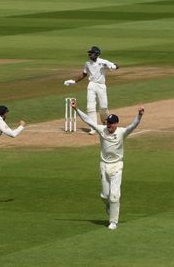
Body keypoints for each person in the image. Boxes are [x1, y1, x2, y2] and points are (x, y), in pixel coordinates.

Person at [72, 99, 144, 230]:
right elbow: (88, 120)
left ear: (116, 123)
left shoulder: (122, 132)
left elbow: (133, 125)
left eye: (111, 124)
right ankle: (109, 206)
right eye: (107, 123)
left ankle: (113, 222)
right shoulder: (102, 130)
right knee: (105, 196)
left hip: (117, 166)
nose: (108, 125)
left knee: (114, 195)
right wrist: (76, 109)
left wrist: (139, 115)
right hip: (104, 165)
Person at [64, 46, 119, 135]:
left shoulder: (103, 62)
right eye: (90, 53)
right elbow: (84, 74)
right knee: (90, 107)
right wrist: (74, 82)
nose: (90, 54)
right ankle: (93, 127)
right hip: (92, 85)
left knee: (104, 107)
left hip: (101, 86)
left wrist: (113, 66)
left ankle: (105, 122)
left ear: (97, 54)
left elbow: (117, 66)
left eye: (92, 53)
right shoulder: (87, 63)